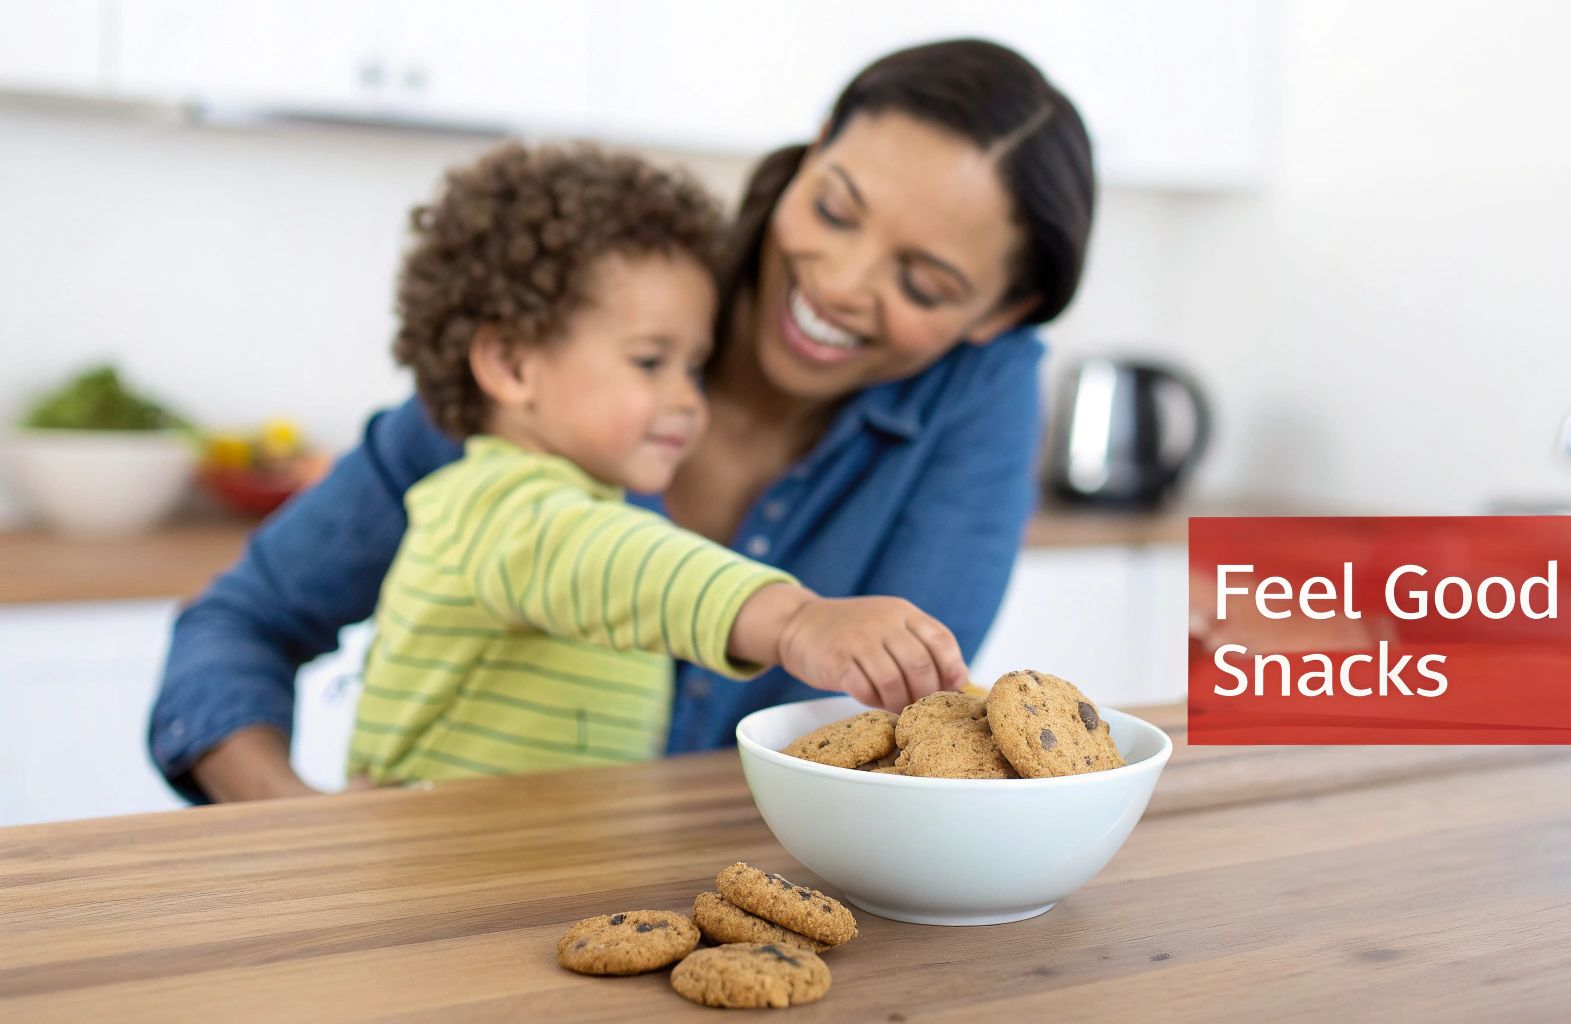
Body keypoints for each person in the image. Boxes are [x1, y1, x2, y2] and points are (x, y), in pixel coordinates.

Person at [150, 38, 1097, 802]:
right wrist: (297, 832)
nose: (841, 285)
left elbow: (902, 739)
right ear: (811, 149)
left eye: (924, 283)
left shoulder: (977, 392)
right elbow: (244, 623)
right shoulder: (565, 346)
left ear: (996, 316)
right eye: (836, 208)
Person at [347, 141, 965, 785]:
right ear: (512, 363)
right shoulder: (491, 504)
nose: (687, 400)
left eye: (692, 367)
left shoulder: (575, 503)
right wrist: (796, 621)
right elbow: (614, 559)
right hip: (432, 871)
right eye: (649, 361)